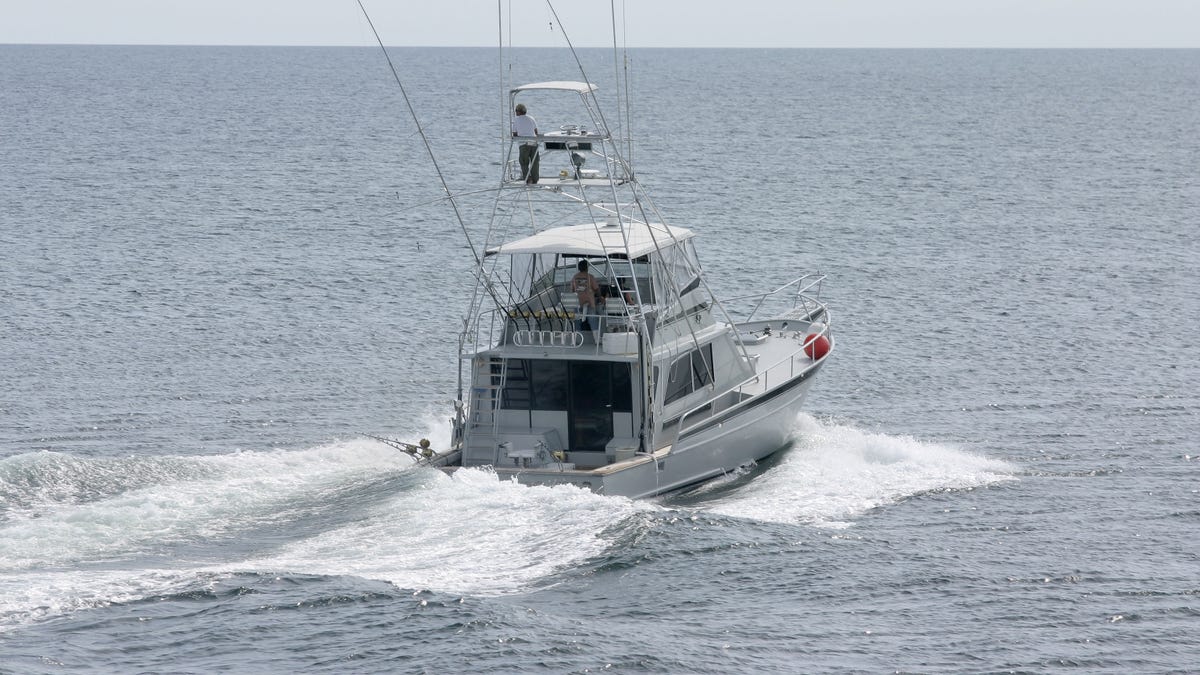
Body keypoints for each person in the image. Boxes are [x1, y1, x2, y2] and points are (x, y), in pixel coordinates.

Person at [511, 103, 540, 184]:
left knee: (524, 162)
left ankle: (528, 178)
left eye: (516, 110)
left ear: (519, 112)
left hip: (523, 144)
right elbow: (536, 132)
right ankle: (535, 179)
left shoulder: (516, 120)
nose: (516, 112)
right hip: (534, 143)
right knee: (535, 162)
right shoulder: (531, 118)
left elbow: (515, 134)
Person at [571, 260, 601, 330]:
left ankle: (576, 337)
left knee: (577, 321)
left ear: (579, 268)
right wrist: (600, 297)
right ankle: (596, 338)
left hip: (577, 303)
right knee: (593, 321)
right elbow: (597, 289)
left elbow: (572, 290)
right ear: (587, 268)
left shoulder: (574, 277)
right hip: (589, 303)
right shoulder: (590, 277)